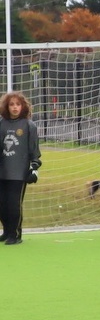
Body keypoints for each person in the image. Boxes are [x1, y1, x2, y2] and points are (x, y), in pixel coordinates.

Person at [0, 91, 41, 245]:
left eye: (18, 104)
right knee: (2, 204)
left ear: (23, 106)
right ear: (6, 107)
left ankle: (15, 234)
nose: (15, 107)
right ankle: (6, 231)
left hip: (19, 173)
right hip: (2, 172)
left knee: (13, 204)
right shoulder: (1, 123)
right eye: (12, 104)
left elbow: (34, 151)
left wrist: (34, 169)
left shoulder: (29, 125)